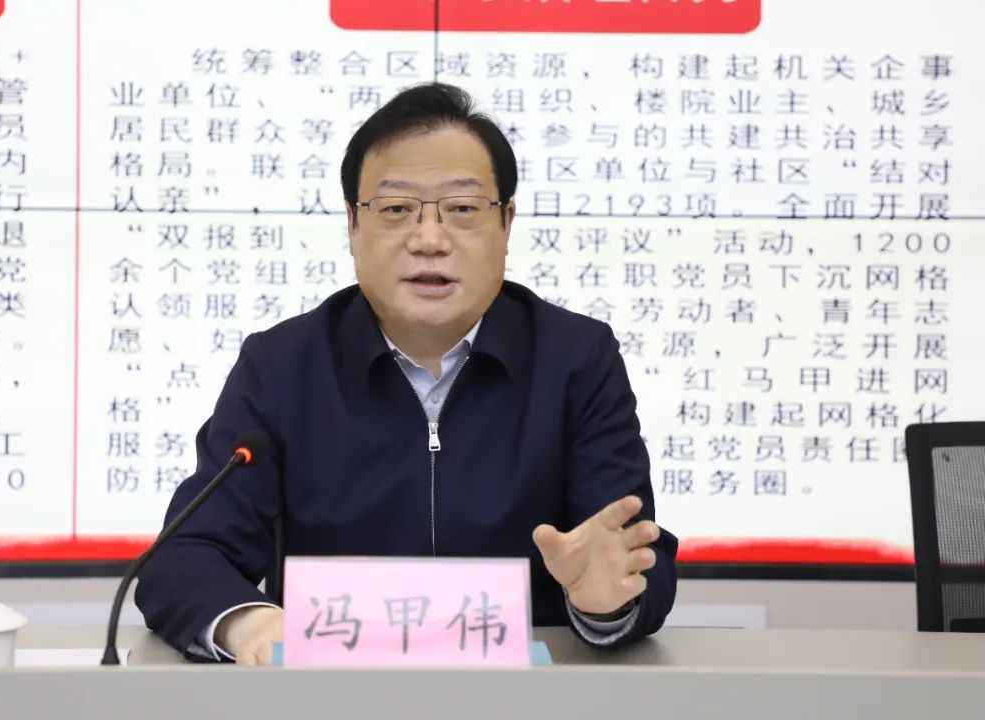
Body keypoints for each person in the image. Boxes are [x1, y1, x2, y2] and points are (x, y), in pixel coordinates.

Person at [135, 82, 678, 664]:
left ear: (506, 223)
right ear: (352, 225)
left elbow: (629, 555)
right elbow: (186, 557)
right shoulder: (282, 366)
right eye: (396, 210)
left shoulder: (576, 359)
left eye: (463, 209)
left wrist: (605, 602)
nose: (429, 240)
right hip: (329, 695)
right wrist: (251, 626)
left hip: (521, 698)